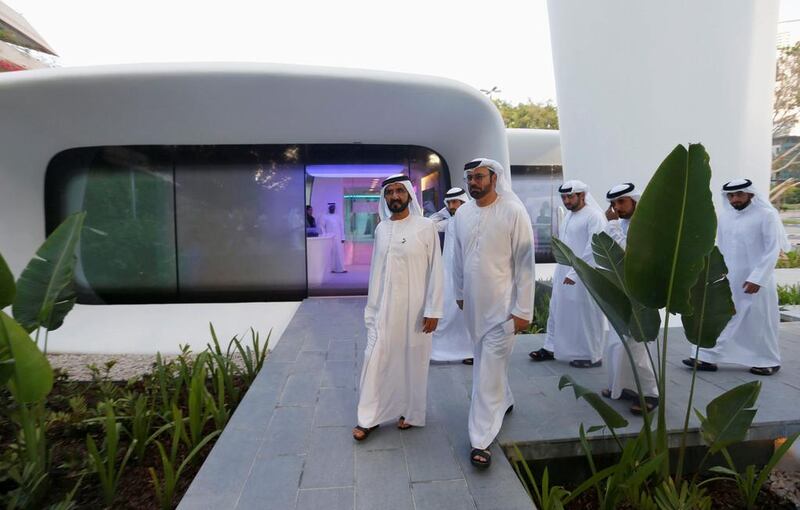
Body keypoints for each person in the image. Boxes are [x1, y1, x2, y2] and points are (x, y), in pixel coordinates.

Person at [452, 158, 535, 468]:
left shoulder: (513, 211)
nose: (473, 182)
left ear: (494, 178)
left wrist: (523, 309)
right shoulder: (462, 213)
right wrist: (459, 293)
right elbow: (458, 258)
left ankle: (481, 439)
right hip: (474, 307)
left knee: (486, 371)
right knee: (489, 363)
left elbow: (525, 263)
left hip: (503, 309)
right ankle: (506, 400)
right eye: (470, 177)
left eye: (479, 177)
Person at [353, 174, 444, 441]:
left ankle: (411, 413)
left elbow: (436, 270)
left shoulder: (425, 227)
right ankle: (369, 418)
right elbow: (375, 274)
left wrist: (434, 309)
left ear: (409, 195)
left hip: (416, 310)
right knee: (375, 358)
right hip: (383, 311)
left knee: (413, 362)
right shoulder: (381, 229)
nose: (394, 196)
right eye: (389, 192)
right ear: (384, 197)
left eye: (399, 191)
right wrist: (371, 310)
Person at [683, 178, 790, 376]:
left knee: (759, 321)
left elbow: (772, 249)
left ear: (750, 193)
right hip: (730, 278)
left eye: (739, 194)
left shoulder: (767, 215)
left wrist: (758, 278)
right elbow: (720, 247)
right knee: (722, 317)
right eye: (731, 196)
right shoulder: (726, 217)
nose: (735, 199)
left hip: (758, 280)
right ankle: (707, 357)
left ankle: (767, 361)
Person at [530, 180, 606, 368]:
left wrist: (574, 273)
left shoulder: (594, 216)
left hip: (585, 274)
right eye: (564, 197)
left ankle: (591, 355)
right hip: (564, 272)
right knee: (556, 310)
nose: (566, 200)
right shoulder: (569, 217)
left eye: (570, 196)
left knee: (586, 314)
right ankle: (551, 347)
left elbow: (594, 248)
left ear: (582, 195)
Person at [601, 183, 659, 415]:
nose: (617, 208)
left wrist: (612, 225)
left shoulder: (647, 226)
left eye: (621, 202)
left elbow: (631, 258)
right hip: (620, 292)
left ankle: (651, 394)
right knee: (617, 345)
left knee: (638, 347)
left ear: (634, 201)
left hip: (641, 294)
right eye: (613, 204)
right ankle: (623, 387)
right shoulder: (620, 224)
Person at [431, 187, 473, 364]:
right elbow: (430, 224)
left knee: (466, 316)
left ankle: (470, 352)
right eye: (448, 203)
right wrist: (444, 212)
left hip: (467, 276)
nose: (451, 206)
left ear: (463, 201)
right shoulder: (450, 222)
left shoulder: (472, 220)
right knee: (447, 313)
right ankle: (440, 350)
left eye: (455, 202)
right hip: (447, 275)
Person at [320, 202, 347, 273]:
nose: (332, 209)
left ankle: (341, 268)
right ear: (329, 208)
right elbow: (322, 226)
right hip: (329, 237)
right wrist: (324, 235)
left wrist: (343, 238)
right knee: (330, 253)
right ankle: (331, 269)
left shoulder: (338, 217)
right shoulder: (325, 217)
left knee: (339, 253)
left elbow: (342, 227)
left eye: (333, 208)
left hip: (338, 238)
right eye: (331, 208)